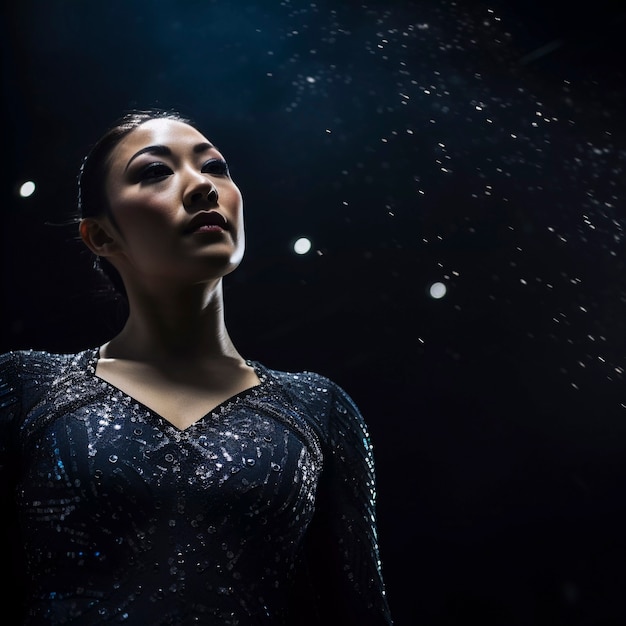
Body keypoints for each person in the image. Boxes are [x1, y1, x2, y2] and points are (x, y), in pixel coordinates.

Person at [0, 108, 394, 625]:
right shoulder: (25, 390)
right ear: (101, 237)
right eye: (155, 171)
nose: (203, 186)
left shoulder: (319, 410)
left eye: (215, 167)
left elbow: (358, 612)